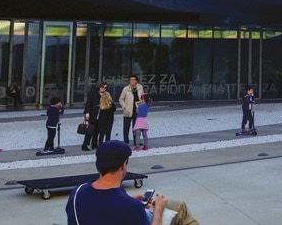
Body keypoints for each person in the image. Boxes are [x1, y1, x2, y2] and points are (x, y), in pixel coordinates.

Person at [65, 140, 198, 225]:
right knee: (181, 209)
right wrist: (158, 210)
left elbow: (102, 209)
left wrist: (129, 201)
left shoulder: (77, 192)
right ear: (124, 165)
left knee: (176, 205)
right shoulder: (131, 208)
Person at [119, 75, 144, 146]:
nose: (132, 81)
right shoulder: (126, 89)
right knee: (126, 127)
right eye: (130, 80)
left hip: (137, 110)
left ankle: (136, 141)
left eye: (133, 80)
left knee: (136, 127)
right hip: (128, 110)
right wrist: (124, 107)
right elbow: (121, 99)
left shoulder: (140, 87)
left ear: (136, 81)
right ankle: (126, 141)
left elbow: (142, 97)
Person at [82, 82, 107, 151]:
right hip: (92, 114)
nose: (103, 89)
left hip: (100, 115)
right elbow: (88, 104)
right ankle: (85, 144)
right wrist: (87, 114)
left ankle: (94, 144)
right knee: (89, 131)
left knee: (97, 131)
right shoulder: (93, 94)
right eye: (102, 87)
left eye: (105, 87)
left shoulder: (105, 95)